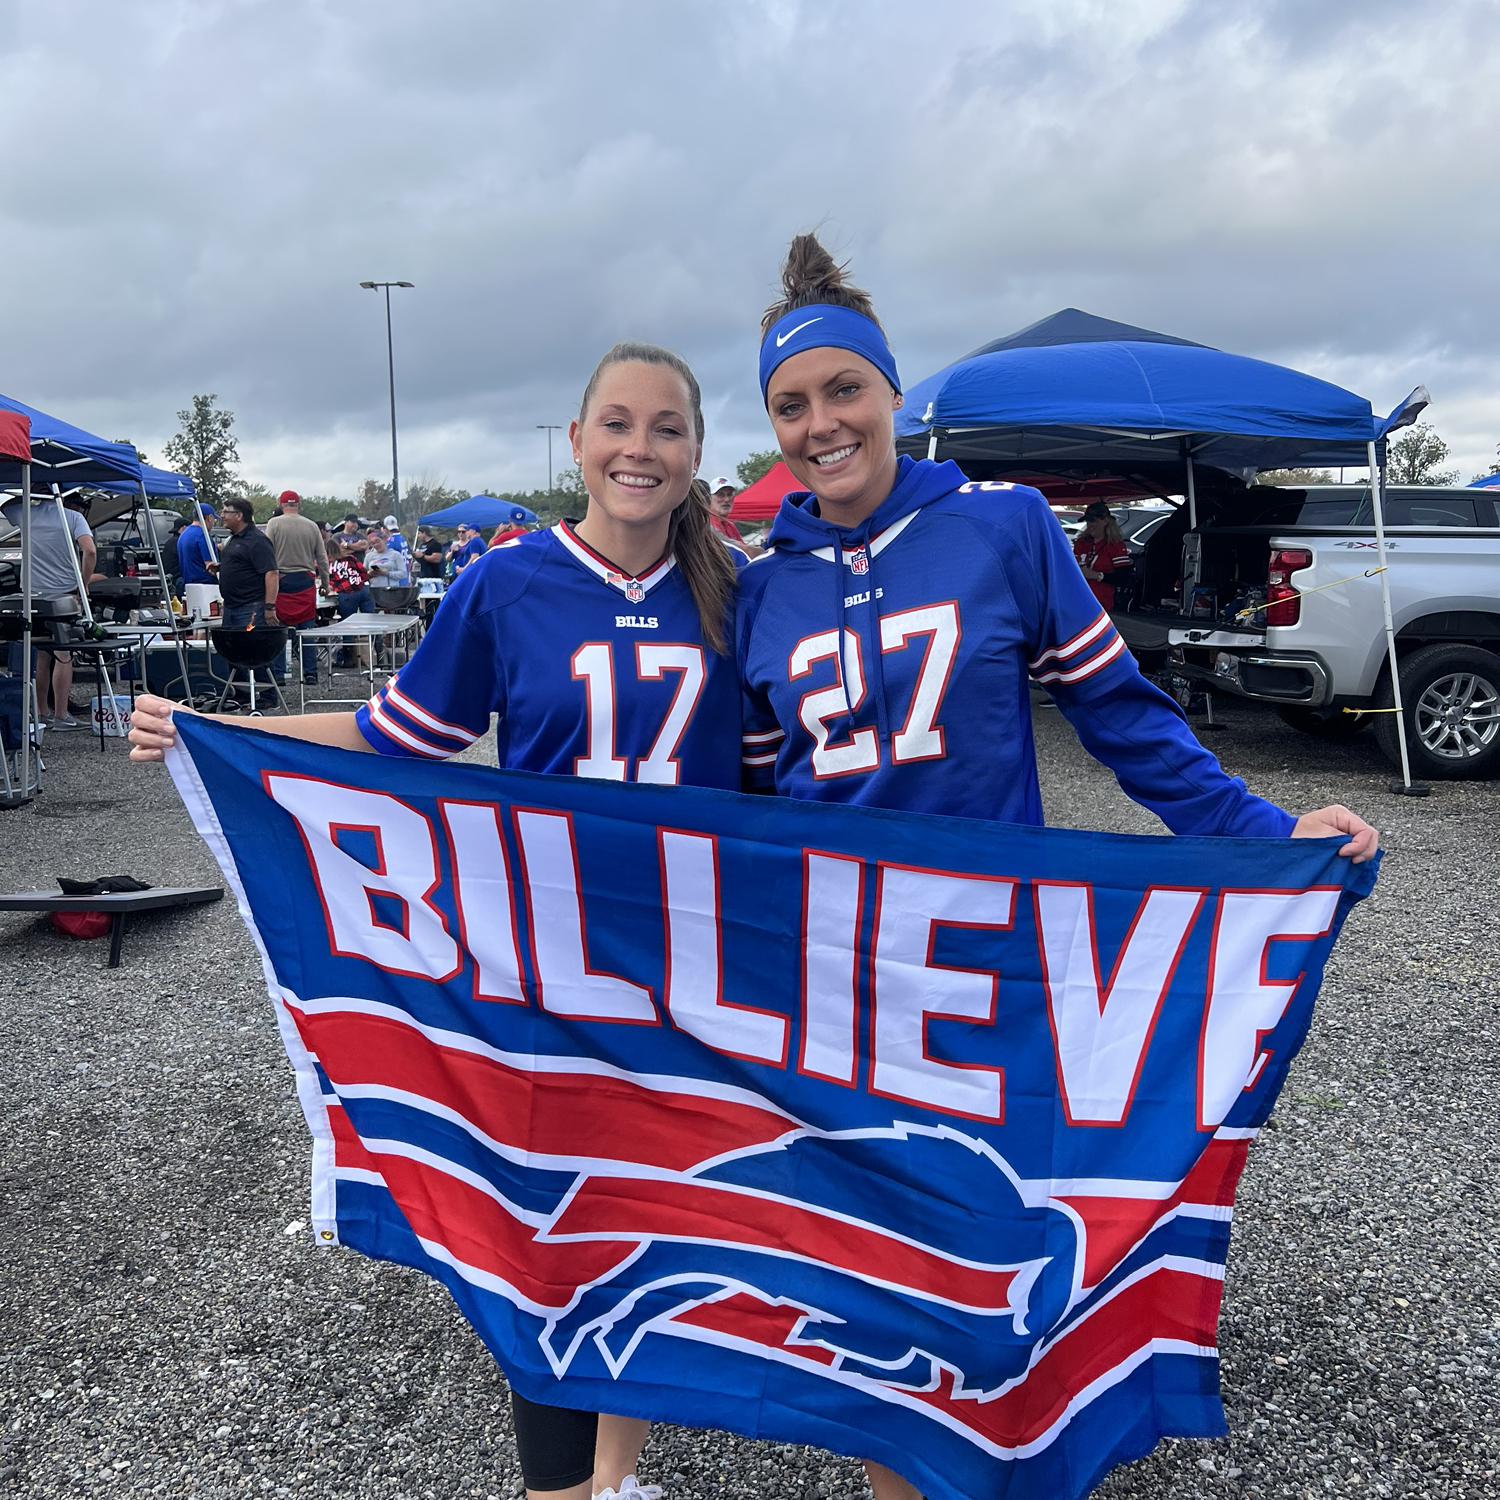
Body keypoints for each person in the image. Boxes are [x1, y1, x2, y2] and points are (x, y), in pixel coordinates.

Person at [738, 233, 1378, 1500]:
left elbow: (1125, 718)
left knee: (1008, 1241)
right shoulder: (762, 592)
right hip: (842, 986)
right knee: (882, 1264)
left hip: (995, 965)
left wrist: (1261, 837)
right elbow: (745, 809)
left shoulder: (1004, 529)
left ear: (892, 394)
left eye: (842, 391)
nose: (822, 425)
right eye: (791, 405)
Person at [129, 342, 740, 1500]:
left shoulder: (736, 589)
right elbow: (402, 738)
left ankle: (619, 1479)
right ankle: (560, 1491)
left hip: (689, 968)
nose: (640, 449)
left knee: (653, 1224)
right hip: (548, 965)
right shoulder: (506, 584)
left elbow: (788, 783)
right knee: (549, 1230)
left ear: (696, 451)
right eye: (617, 423)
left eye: (666, 428)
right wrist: (214, 731)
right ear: (577, 441)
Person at [0, 490, 100, 727]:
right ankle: (61, 714)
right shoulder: (73, 517)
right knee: (64, 655)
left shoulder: (25, 513)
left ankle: (42, 712)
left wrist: (29, 492)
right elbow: (90, 550)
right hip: (64, 594)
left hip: (32, 595)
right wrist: (83, 583)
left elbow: (6, 505)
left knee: (42, 655)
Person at [212, 499, 279, 629]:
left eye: (226, 512)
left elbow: (271, 573)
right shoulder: (233, 538)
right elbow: (244, 563)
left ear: (239, 515)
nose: (222, 516)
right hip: (231, 608)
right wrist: (221, 567)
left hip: (250, 609)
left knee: (251, 648)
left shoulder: (258, 541)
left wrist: (270, 607)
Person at [1073, 500, 1132, 610]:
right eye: (1087, 521)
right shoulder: (1082, 543)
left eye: (1093, 521)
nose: (1089, 525)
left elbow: (1123, 578)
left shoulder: (1115, 545)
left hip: (1102, 604)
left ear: (1105, 521)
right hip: (1078, 600)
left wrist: (1097, 575)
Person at [176, 504, 218, 587]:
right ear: (209, 518)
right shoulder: (203, 536)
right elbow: (211, 567)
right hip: (206, 587)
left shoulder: (183, 534)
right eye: (214, 519)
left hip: (188, 586)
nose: (213, 523)